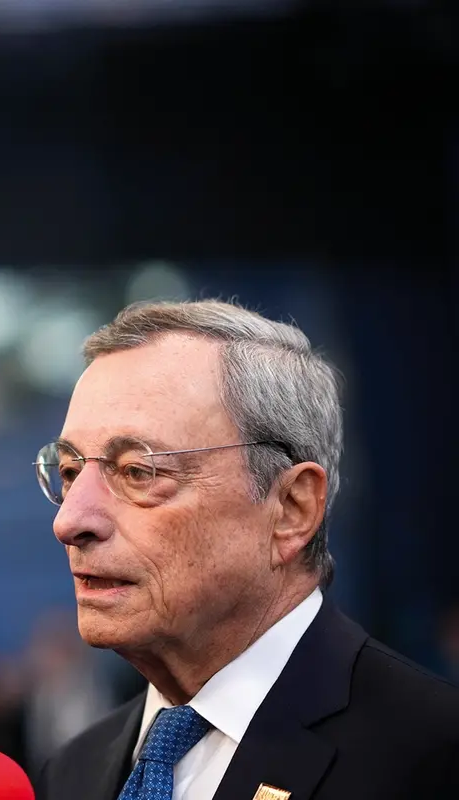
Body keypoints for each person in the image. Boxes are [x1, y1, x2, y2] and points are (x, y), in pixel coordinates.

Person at [31, 300, 459, 800]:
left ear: (291, 509)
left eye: (137, 472)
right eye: (68, 472)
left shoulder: (432, 758)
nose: (69, 521)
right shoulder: (72, 773)